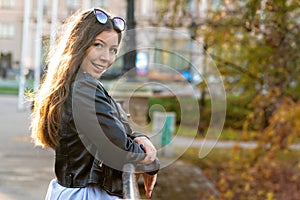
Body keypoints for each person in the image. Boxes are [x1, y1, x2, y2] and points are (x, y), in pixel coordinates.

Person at [30, 8, 158, 199]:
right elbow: (118, 149)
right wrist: (152, 162)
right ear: (79, 44)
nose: (107, 57)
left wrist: (139, 137)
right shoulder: (84, 88)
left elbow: (112, 130)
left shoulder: (75, 83)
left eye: (113, 50)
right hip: (87, 194)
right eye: (98, 45)